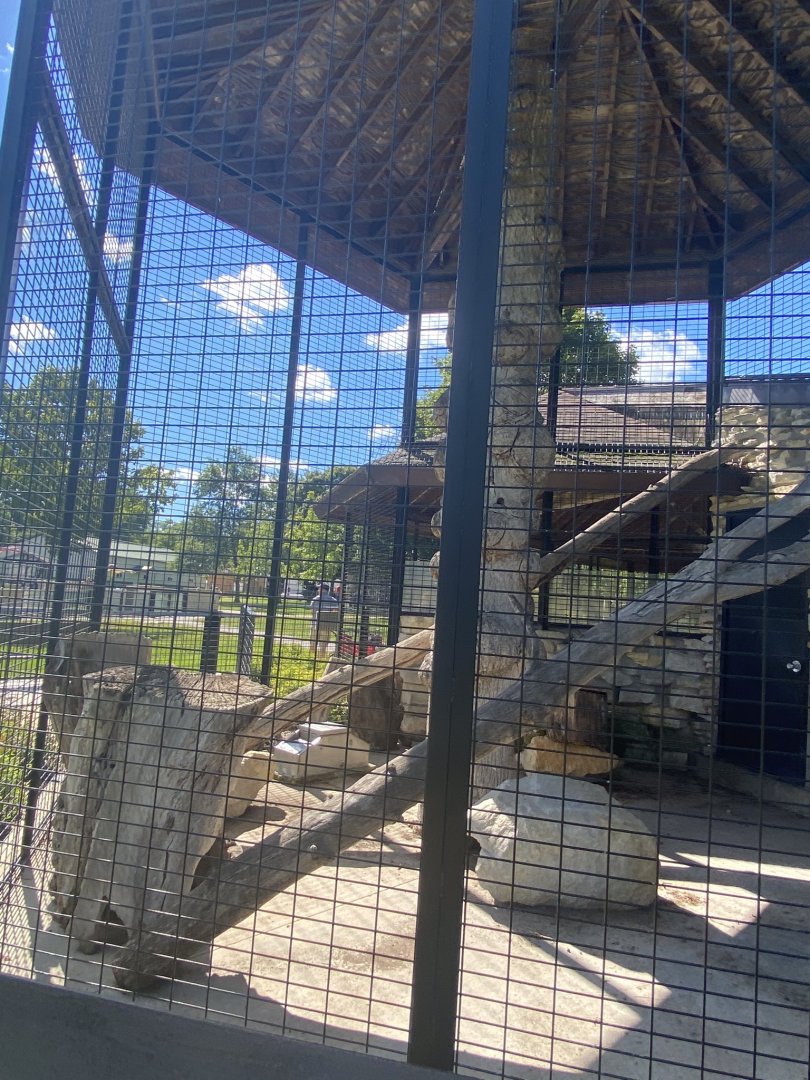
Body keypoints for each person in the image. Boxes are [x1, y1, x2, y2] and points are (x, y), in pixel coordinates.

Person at [309, 583, 340, 659]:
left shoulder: (315, 599)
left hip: (315, 624)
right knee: (323, 644)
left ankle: (311, 659)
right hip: (326, 625)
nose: (318, 590)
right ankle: (321, 659)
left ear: (322, 589)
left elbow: (312, 611)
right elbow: (336, 611)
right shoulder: (333, 600)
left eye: (319, 588)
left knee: (313, 643)